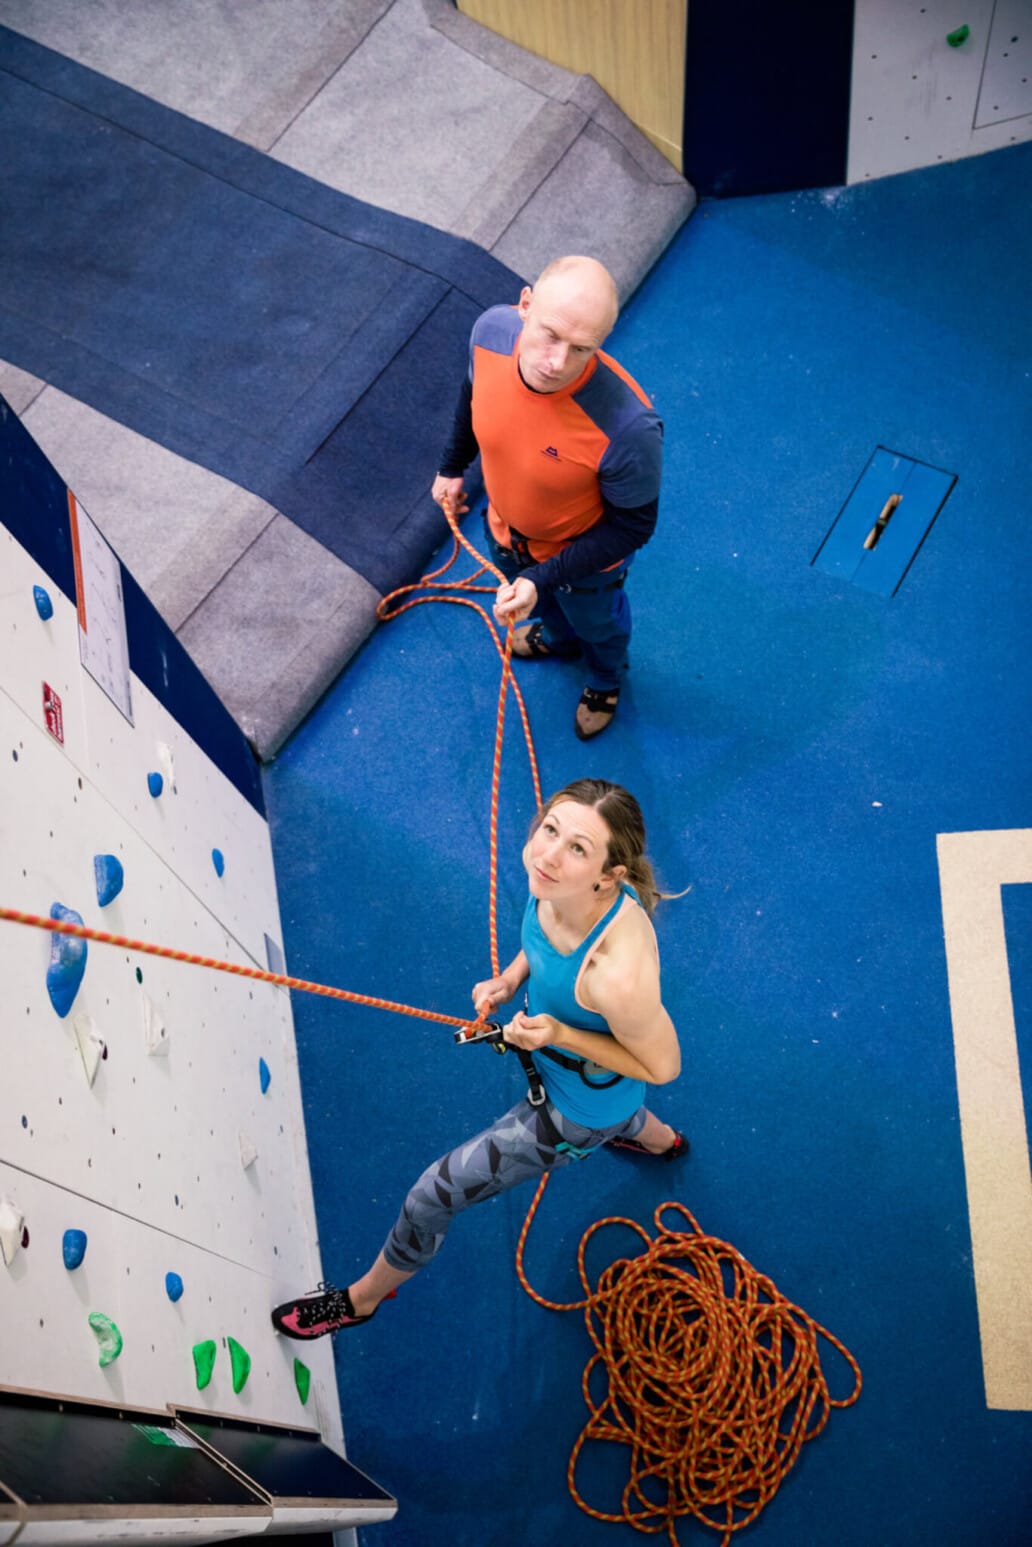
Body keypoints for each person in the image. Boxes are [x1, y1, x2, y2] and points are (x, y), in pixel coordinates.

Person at [271, 779, 687, 1341]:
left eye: (577, 848)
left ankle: (362, 1300)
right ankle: (662, 1143)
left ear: (608, 875)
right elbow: (544, 943)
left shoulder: (617, 977)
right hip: (582, 1076)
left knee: (431, 1196)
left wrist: (561, 1032)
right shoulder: (560, 886)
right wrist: (511, 980)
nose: (548, 855)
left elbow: (663, 1068)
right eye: (550, 830)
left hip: (576, 1108)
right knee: (623, 1114)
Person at [431, 256, 663, 741]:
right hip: (504, 534)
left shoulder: (628, 427)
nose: (556, 363)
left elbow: (633, 527)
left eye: (581, 349)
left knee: (598, 625)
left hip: (583, 563)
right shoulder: (489, 334)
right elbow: (473, 397)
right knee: (546, 608)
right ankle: (558, 639)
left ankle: (604, 680)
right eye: (550, 335)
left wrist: (543, 576)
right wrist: (452, 466)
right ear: (525, 305)